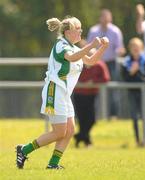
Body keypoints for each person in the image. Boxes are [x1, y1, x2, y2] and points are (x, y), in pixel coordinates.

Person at [15, 16, 109, 170]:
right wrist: (92, 44)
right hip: (55, 90)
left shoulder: (75, 48)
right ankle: (24, 150)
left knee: (70, 130)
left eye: (81, 29)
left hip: (64, 94)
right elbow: (71, 58)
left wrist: (103, 47)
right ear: (67, 33)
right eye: (77, 29)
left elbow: (90, 62)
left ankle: (53, 164)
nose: (80, 32)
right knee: (59, 132)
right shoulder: (61, 45)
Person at [87, 9, 125, 119]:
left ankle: (113, 115)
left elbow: (119, 48)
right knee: (94, 88)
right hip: (96, 63)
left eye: (107, 17)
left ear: (110, 18)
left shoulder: (115, 31)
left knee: (113, 89)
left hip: (111, 63)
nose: (105, 19)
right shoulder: (94, 31)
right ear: (100, 18)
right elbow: (89, 47)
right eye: (103, 17)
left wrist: (120, 51)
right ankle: (96, 114)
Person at [73, 60, 110, 147]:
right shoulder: (78, 64)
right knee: (82, 119)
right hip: (78, 94)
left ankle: (80, 136)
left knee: (91, 119)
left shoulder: (100, 65)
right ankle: (86, 141)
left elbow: (106, 78)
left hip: (92, 95)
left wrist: (93, 81)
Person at [122, 37, 145, 146]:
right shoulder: (126, 62)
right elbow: (124, 78)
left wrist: (138, 71)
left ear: (141, 48)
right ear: (130, 48)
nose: (135, 49)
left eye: (137, 47)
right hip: (132, 92)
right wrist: (131, 72)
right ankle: (138, 140)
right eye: (133, 47)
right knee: (134, 116)